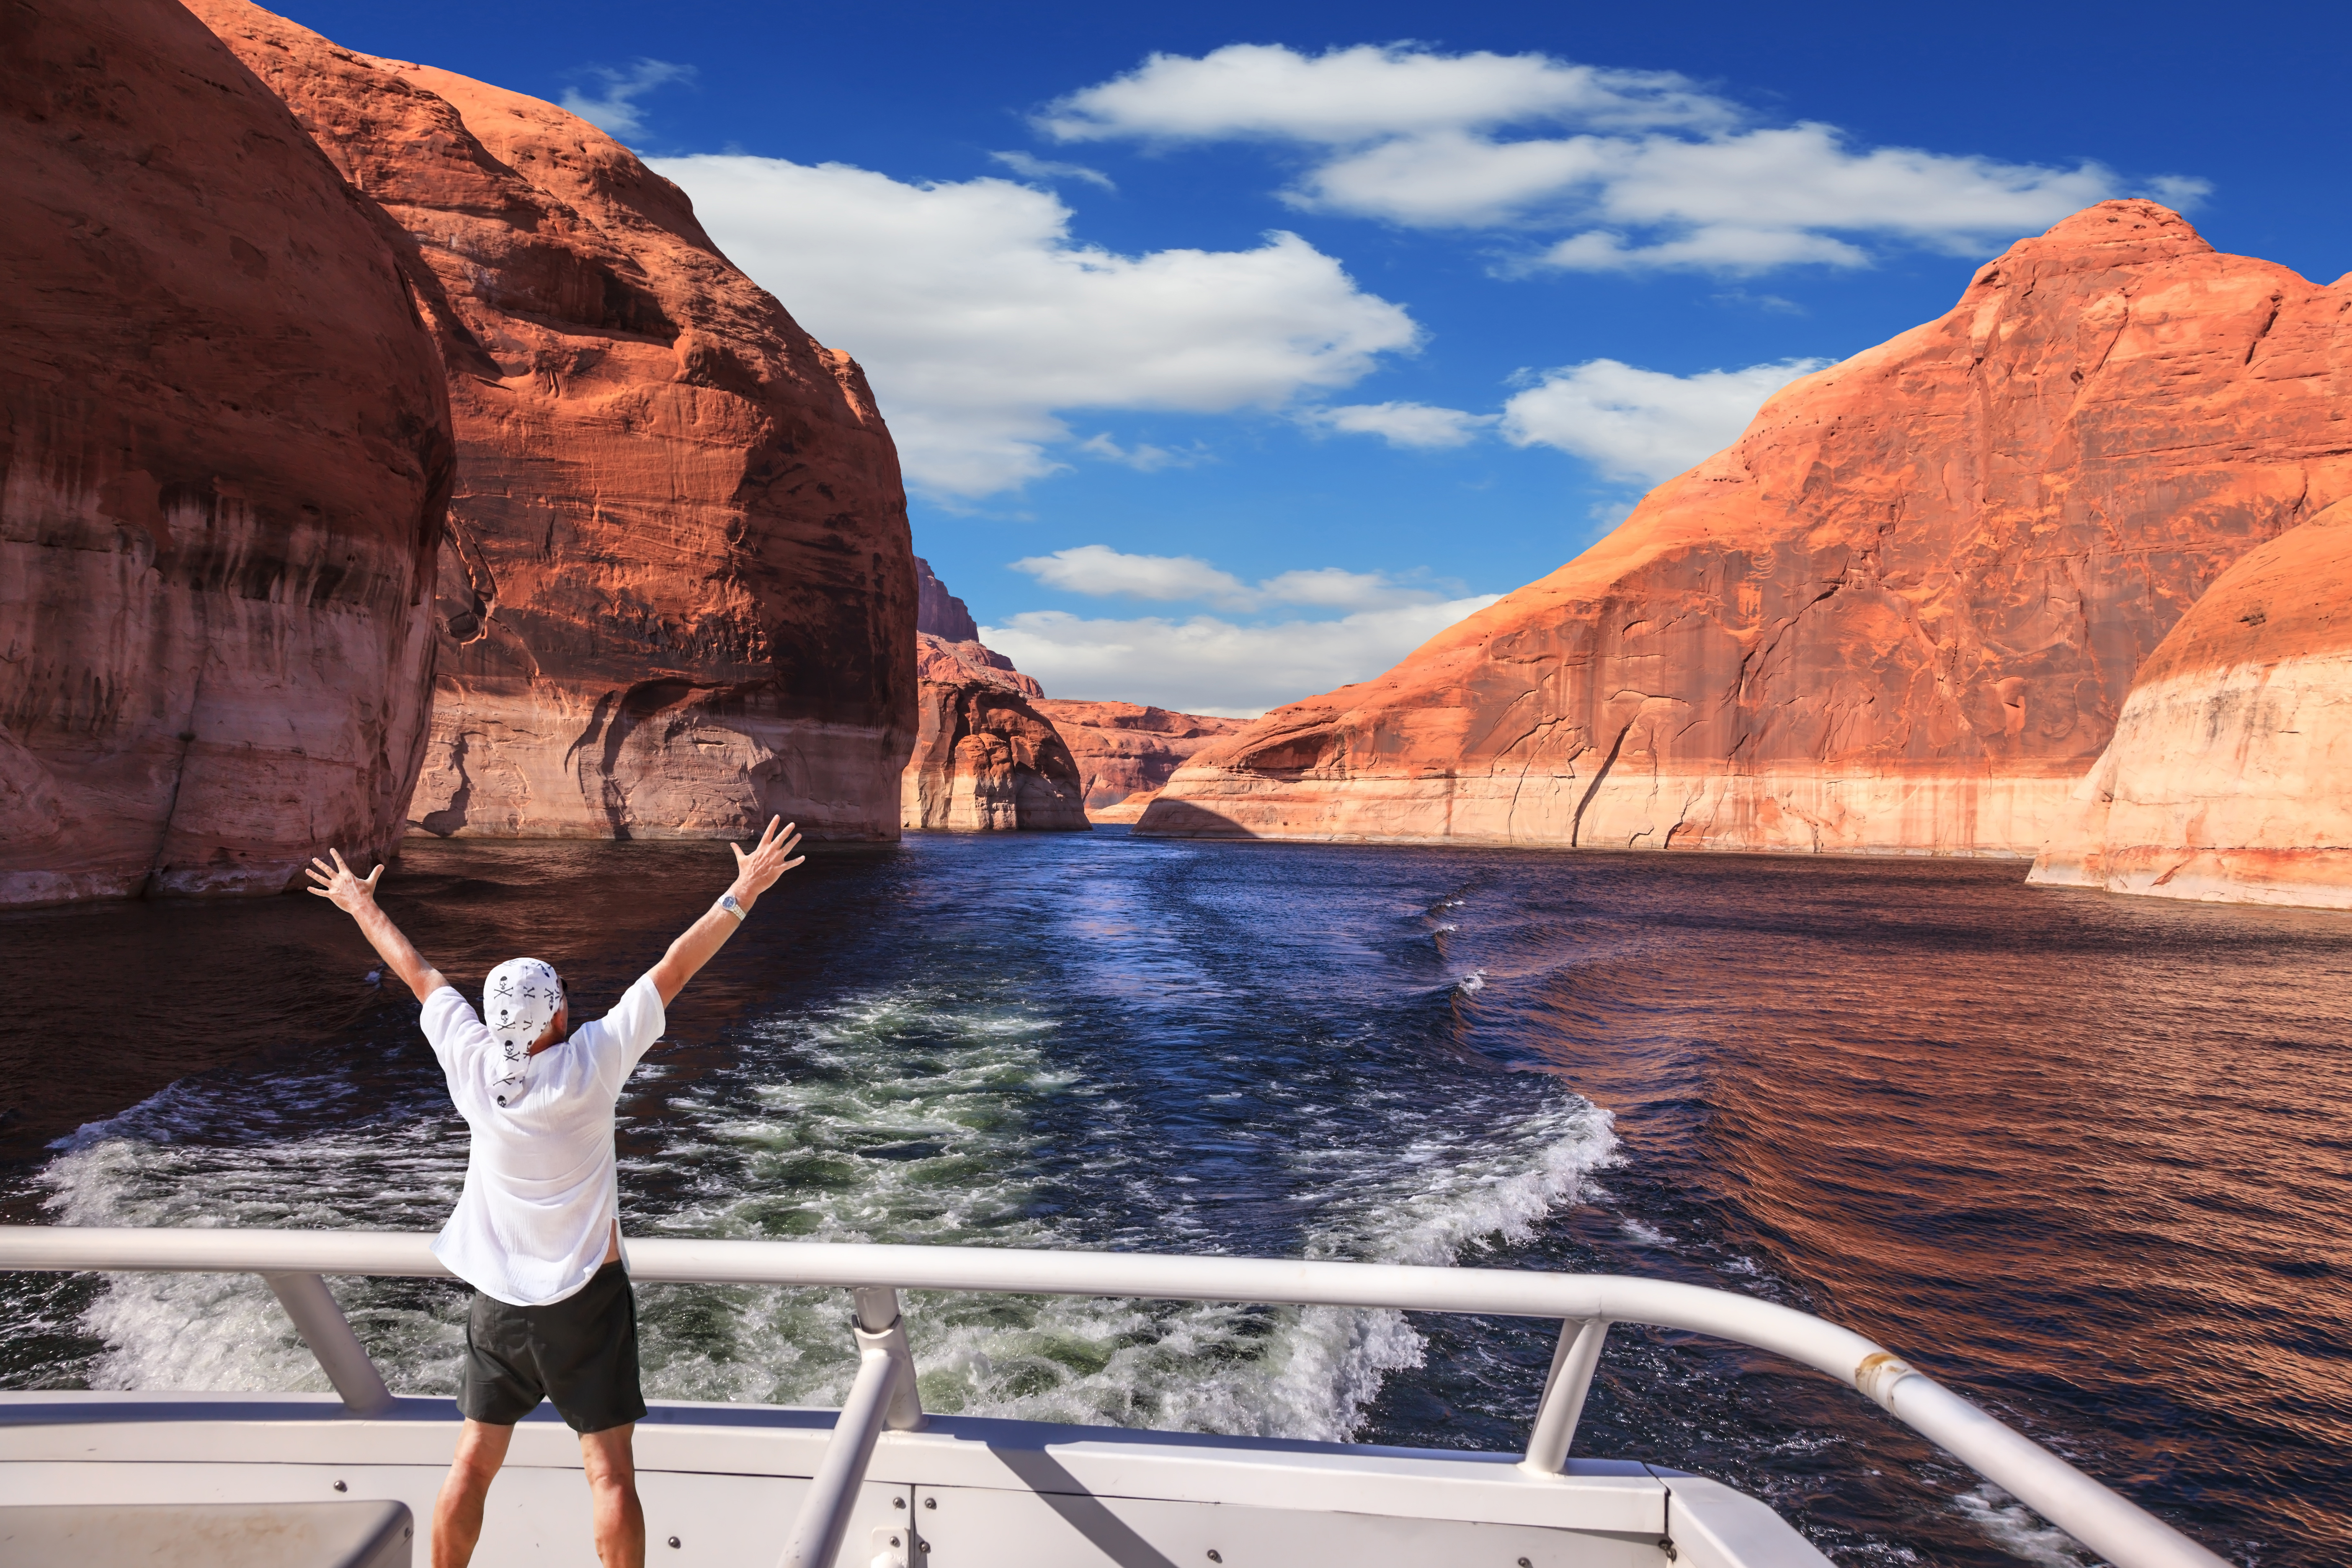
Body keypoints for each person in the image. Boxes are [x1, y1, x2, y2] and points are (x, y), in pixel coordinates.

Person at [304, 818, 806, 1568]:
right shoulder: (592, 1063)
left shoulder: (473, 1065)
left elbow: (417, 973)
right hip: (587, 1300)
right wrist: (743, 891)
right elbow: (675, 967)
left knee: (472, 1464)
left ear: (495, 1016)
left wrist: (359, 904)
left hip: (499, 1302)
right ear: (559, 1014)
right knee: (609, 1475)